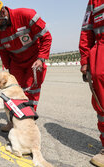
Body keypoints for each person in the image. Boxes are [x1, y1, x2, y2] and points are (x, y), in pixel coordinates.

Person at [0, 0, 52, 132]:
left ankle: (28, 122)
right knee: (11, 93)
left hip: (34, 61)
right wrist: (7, 67)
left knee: (31, 93)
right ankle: (11, 121)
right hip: (16, 64)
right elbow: (2, 50)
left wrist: (41, 58)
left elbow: (46, 37)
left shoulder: (27, 15)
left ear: (3, 12)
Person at [79, 0, 104, 166]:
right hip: (101, 52)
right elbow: (87, 31)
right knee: (102, 103)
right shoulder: (94, 2)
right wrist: (85, 60)